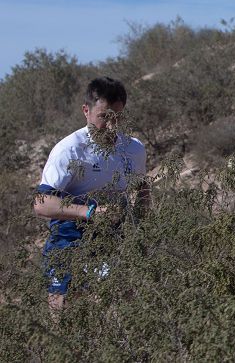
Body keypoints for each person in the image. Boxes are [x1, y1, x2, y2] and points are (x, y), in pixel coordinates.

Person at [33, 76, 148, 312]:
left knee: (119, 306)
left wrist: (139, 224)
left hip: (114, 238)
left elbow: (141, 187)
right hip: (68, 238)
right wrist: (89, 212)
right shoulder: (70, 149)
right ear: (86, 111)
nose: (112, 125)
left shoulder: (133, 149)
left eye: (118, 117)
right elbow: (42, 203)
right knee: (62, 313)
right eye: (104, 117)